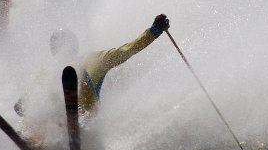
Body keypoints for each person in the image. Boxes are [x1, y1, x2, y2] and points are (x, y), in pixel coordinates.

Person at [17, 14, 171, 116]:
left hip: (86, 116)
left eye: (64, 44)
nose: (61, 49)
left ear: (73, 45)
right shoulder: (47, 72)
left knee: (77, 71)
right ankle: (35, 138)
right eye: (57, 45)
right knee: (48, 79)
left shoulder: (92, 59)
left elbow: (125, 51)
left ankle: (73, 118)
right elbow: (31, 97)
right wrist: (23, 103)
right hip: (54, 122)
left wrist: (153, 31)